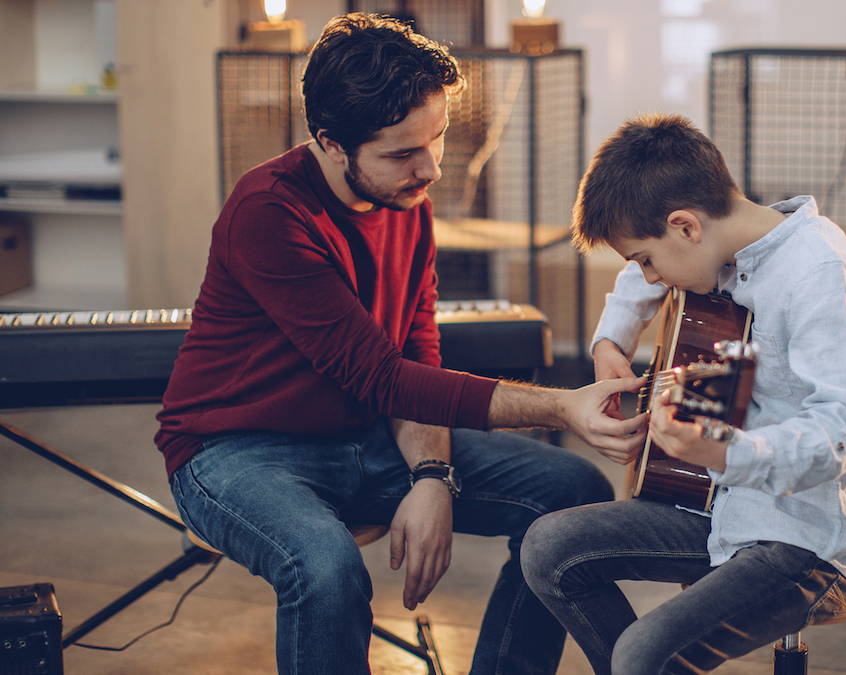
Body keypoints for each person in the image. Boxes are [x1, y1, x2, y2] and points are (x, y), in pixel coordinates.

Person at [155, 13, 646, 675]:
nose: (431, 169)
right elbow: (384, 378)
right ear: (331, 144)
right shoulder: (267, 212)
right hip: (234, 450)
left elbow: (416, 345)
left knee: (571, 491)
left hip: (365, 438)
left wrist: (432, 475)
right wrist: (563, 408)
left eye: (437, 140)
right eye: (402, 153)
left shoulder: (403, 196)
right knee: (324, 565)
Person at [520, 113, 846, 675]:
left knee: (639, 655)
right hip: (719, 505)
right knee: (548, 550)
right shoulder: (723, 245)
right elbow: (640, 278)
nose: (649, 278)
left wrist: (723, 453)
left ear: (686, 226)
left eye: (647, 260)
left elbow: (843, 432)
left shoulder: (817, 273)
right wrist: (611, 340)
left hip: (806, 541)